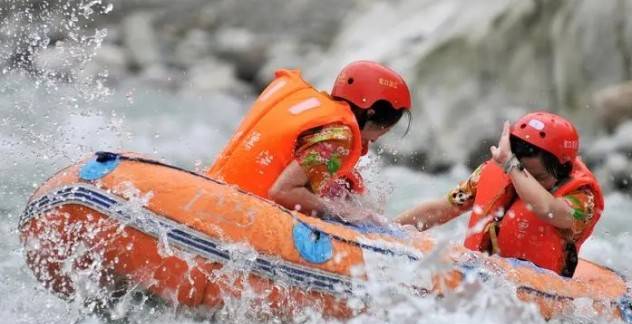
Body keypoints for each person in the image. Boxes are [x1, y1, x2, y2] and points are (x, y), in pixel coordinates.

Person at [395, 112, 604, 277]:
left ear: (560, 166)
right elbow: (441, 209)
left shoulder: (583, 198)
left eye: (535, 176)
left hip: (540, 286)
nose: (521, 179)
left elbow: (548, 210)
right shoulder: (495, 172)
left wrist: (513, 166)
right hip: (486, 273)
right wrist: (389, 230)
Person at [207, 60, 411, 220]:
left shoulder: (315, 111)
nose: (378, 139)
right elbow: (283, 192)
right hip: (241, 214)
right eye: (385, 130)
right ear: (372, 113)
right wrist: (342, 214)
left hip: (217, 194)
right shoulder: (338, 138)